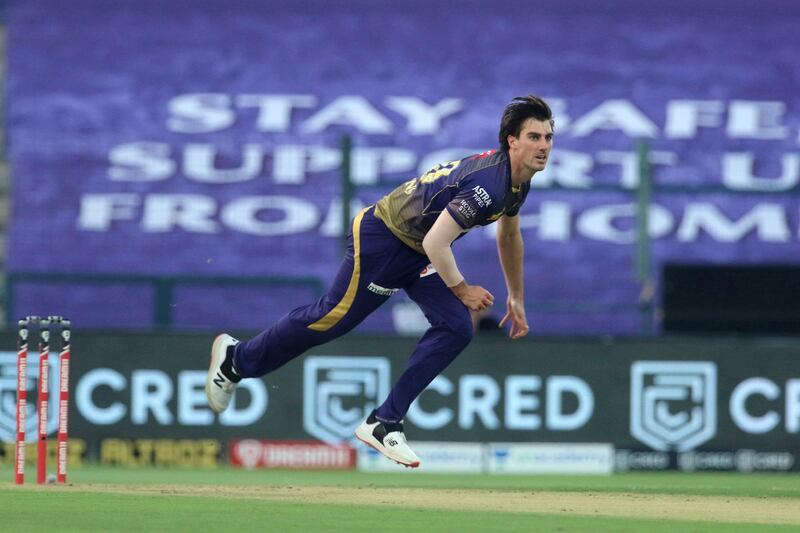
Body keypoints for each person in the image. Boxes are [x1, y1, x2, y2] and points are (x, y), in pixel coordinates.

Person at [206, 95, 554, 468]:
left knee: (456, 327)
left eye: (549, 137)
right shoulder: (489, 185)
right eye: (534, 137)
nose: (544, 146)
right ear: (511, 141)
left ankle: (384, 422)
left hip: (418, 250)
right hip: (385, 237)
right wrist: (461, 289)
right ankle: (235, 360)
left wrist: (515, 296)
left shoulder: (517, 182)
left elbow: (508, 236)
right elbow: (438, 241)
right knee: (331, 319)